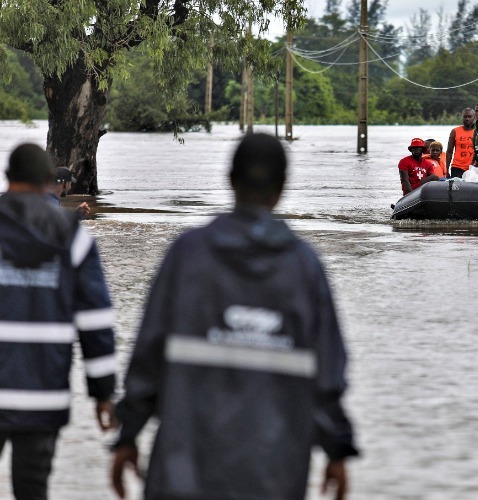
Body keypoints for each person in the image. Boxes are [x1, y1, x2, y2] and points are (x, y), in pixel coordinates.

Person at [110, 133, 359, 500]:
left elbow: (148, 356)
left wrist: (127, 434)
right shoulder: (304, 268)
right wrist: (337, 449)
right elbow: (327, 374)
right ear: (283, 187)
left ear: (230, 179)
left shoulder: (187, 255)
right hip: (274, 474)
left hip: (184, 473)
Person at [0, 143, 117, 499]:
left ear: (7, 178)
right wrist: (103, 392)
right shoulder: (71, 235)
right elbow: (95, 321)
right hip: (43, 393)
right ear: (49, 181)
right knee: (32, 489)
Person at [446, 108, 476, 178]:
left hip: (473, 168)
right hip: (457, 167)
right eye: (465, 116)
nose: (467, 119)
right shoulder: (455, 131)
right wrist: (446, 170)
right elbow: (449, 151)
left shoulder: (477, 132)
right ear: (462, 117)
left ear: (474, 117)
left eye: (469, 116)